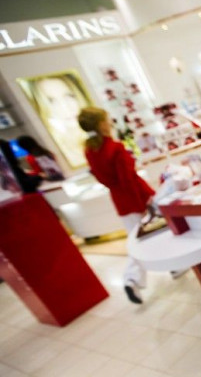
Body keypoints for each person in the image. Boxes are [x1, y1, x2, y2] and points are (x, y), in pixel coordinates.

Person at [78, 107, 154, 304]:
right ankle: (132, 279)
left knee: (141, 238)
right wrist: (143, 204)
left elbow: (105, 180)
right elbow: (127, 181)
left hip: (120, 201)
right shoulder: (115, 148)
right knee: (144, 238)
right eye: (107, 119)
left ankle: (144, 275)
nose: (110, 122)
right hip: (137, 197)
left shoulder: (91, 151)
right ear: (101, 123)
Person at [25, 73, 91, 169]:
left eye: (70, 96)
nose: (66, 107)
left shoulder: (98, 138)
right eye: (52, 101)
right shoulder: (56, 148)